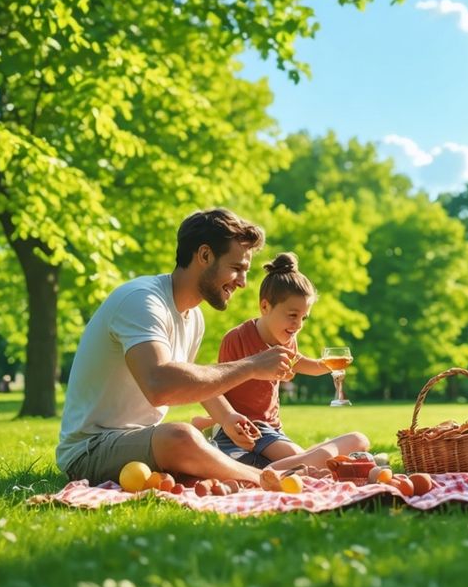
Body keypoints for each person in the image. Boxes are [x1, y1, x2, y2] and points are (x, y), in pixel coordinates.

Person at [55, 208, 296, 487]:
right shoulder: (142, 301)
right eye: (236, 268)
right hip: (90, 449)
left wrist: (228, 418)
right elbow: (161, 385)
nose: (242, 282)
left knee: (193, 445)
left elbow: (188, 378)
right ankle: (265, 479)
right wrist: (252, 366)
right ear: (204, 256)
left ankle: (240, 477)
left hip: (138, 440)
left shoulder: (193, 316)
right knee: (181, 436)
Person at [194, 252, 370, 471]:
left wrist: (327, 364)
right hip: (246, 428)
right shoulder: (237, 339)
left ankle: (302, 461)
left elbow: (305, 364)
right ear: (265, 306)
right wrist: (216, 420)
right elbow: (217, 384)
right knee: (303, 457)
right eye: (293, 315)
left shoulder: (287, 340)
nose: (298, 325)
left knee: (355, 442)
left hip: (272, 431)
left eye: (304, 317)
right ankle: (282, 467)